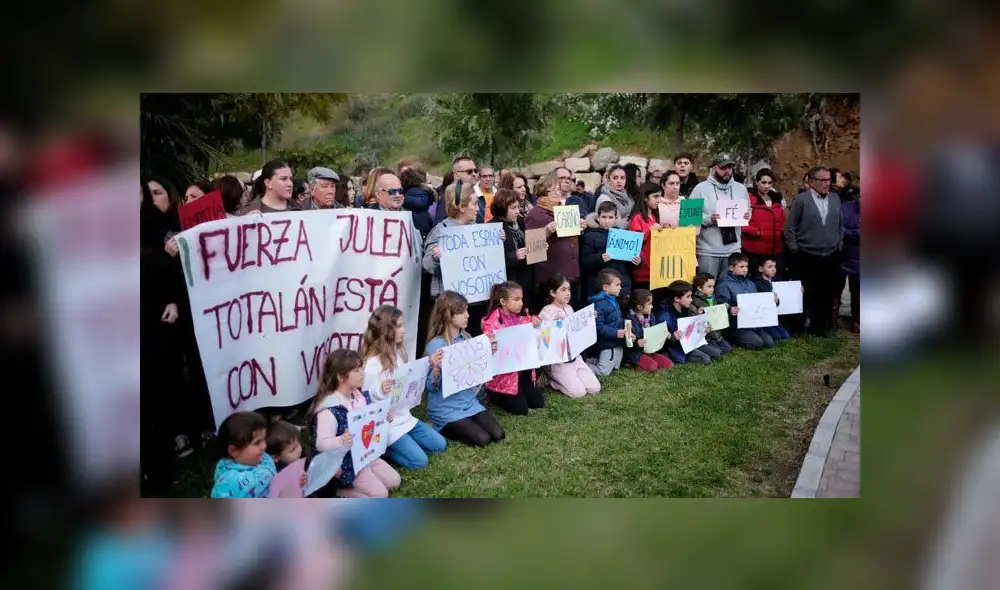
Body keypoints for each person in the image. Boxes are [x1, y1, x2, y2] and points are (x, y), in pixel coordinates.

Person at [361, 305, 448, 469]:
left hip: (403, 416)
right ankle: (382, 450)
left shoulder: (398, 353)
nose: (404, 330)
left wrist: (429, 363)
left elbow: (406, 379)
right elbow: (365, 400)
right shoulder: (372, 364)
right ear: (386, 330)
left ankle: (405, 443)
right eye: (399, 326)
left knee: (440, 445)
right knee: (420, 462)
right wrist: (380, 391)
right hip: (387, 424)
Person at [308, 349, 402, 498]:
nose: (362, 373)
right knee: (380, 494)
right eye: (357, 370)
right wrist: (340, 440)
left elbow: (370, 421)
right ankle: (337, 491)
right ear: (341, 377)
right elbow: (320, 444)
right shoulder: (329, 409)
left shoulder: (358, 396)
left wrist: (384, 416)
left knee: (394, 480)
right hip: (345, 463)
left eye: (361, 368)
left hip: (365, 455)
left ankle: (364, 481)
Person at [424, 292, 506, 447]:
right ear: (448, 315)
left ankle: (464, 422)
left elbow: (474, 372)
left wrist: (488, 353)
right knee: (483, 439)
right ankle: (438, 425)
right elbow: (430, 387)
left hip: (468, 402)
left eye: (467, 310)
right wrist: (435, 369)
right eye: (462, 312)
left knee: (498, 434)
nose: (467, 315)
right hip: (446, 408)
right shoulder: (436, 344)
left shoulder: (467, 338)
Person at [785, 166, 844, 337]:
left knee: (826, 293)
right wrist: (795, 249)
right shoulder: (801, 200)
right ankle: (799, 327)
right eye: (823, 180)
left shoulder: (835, 199)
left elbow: (840, 225)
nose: (828, 183)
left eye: (829, 180)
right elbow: (790, 228)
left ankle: (820, 328)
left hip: (830, 255)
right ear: (811, 182)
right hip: (806, 255)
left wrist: (838, 244)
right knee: (806, 293)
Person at [423, 181, 488, 335]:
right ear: (461, 207)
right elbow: (427, 265)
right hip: (451, 307)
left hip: (476, 301)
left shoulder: (478, 229)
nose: (478, 208)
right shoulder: (441, 231)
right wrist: (435, 257)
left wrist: (497, 241)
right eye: (474, 204)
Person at [480, 282, 545, 415]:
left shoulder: (520, 319)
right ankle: (493, 394)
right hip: (502, 378)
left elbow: (530, 322)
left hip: (519, 375)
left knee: (539, 402)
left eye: (521, 299)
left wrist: (535, 320)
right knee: (521, 409)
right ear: (503, 301)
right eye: (516, 299)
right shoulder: (491, 323)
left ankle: (518, 389)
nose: (521, 303)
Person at [525, 172, 586, 309]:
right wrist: (545, 232)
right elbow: (532, 250)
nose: (559, 192)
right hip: (552, 279)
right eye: (554, 190)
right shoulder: (535, 214)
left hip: (571, 274)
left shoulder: (562, 211)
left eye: (559, 189)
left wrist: (579, 227)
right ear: (543, 192)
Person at [690, 154, 752, 281]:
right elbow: (690, 217)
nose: (727, 171)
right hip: (707, 251)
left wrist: (747, 215)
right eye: (723, 167)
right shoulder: (699, 189)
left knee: (731, 289)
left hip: (733, 250)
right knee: (707, 290)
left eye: (730, 167)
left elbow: (749, 209)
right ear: (714, 168)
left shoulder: (741, 189)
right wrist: (709, 219)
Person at [538, 275, 601, 397]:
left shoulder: (569, 308)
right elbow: (542, 339)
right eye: (563, 290)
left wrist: (588, 318)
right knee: (578, 393)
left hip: (574, 357)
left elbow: (575, 329)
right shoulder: (547, 311)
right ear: (552, 293)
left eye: (569, 289)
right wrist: (552, 324)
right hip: (559, 361)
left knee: (595, 388)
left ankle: (572, 376)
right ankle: (551, 378)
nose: (567, 293)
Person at [581, 201, 640, 301]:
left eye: (610, 217)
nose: (607, 221)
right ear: (598, 218)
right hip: (600, 286)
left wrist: (638, 261)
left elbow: (629, 262)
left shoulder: (624, 236)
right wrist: (599, 258)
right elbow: (584, 262)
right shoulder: (590, 236)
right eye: (604, 217)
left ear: (616, 219)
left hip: (621, 285)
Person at [714, 253, 776, 350]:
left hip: (752, 323)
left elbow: (757, 301)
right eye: (741, 266)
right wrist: (730, 309)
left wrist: (772, 301)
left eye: (746, 266)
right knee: (758, 343)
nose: (745, 269)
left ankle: (751, 335)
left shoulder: (750, 283)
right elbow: (720, 304)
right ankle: (732, 338)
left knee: (769, 342)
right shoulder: (724, 284)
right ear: (731, 268)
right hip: (737, 325)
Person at [210, 411, 276, 498]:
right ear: (234, 451)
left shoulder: (261, 457)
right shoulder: (230, 484)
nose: (264, 446)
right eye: (257, 443)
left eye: (264, 439)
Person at [658, 280, 723, 365]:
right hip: (676, 347)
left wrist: (702, 329)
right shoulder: (664, 316)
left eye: (691, 296)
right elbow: (661, 342)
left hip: (690, 343)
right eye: (688, 297)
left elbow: (691, 330)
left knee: (717, 354)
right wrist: (673, 337)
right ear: (677, 298)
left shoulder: (686, 309)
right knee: (705, 360)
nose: (691, 300)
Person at [489, 189, 533, 308]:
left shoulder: (519, 222)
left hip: (525, 281)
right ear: (502, 208)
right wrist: (514, 256)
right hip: (507, 284)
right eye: (513, 208)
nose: (517, 211)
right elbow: (490, 260)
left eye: (518, 207)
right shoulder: (493, 227)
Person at [743, 168, 787, 276]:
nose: (767, 186)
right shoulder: (747, 199)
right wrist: (756, 232)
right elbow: (740, 222)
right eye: (763, 182)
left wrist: (782, 233)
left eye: (770, 183)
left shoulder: (777, 199)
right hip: (755, 251)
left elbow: (782, 221)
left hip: (776, 251)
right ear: (756, 182)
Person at [586, 269, 627, 377]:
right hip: (608, 344)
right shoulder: (600, 304)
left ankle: (593, 361)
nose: (620, 287)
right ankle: (583, 366)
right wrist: (615, 333)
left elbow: (618, 319)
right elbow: (599, 327)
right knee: (603, 372)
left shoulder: (613, 300)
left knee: (615, 366)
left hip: (617, 343)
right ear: (605, 287)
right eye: (617, 285)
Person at [624, 289, 674, 372]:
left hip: (649, 351)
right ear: (639, 307)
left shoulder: (651, 316)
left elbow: (653, 332)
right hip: (635, 353)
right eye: (649, 304)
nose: (652, 306)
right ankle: (632, 364)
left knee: (669, 364)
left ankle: (645, 363)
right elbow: (627, 341)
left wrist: (664, 334)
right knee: (653, 367)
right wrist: (637, 343)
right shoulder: (628, 320)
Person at [628, 182, 664, 293]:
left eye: (660, 196)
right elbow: (635, 241)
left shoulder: (653, 216)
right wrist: (650, 229)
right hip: (641, 271)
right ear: (645, 198)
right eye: (655, 196)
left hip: (654, 270)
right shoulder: (637, 218)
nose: (659, 200)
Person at [690, 273, 733, 354]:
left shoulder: (712, 297)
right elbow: (694, 317)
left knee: (728, 349)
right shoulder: (695, 300)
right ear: (699, 288)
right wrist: (698, 312)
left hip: (717, 334)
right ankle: (710, 344)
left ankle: (718, 341)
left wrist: (724, 308)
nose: (712, 289)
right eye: (709, 287)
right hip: (707, 336)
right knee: (718, 352)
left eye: (713, 286)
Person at [751, 258, 792, 342]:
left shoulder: (777, 282)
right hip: (764, 319)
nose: (773, 269)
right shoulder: (756, 284)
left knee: (786, 335)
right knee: (777, 337)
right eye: (770, 267)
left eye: (774, 266)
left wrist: (798, 290)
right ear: (760, 269)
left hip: (775, 318)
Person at [839, 187, 860, 333]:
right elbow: (836, 227)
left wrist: (847, 233)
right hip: (840, 254)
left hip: (861, 256)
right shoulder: (844, 208)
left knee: (858, 289)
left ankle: (857, 320)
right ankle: (832, 320)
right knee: (834, 289)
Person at [434, 156, 477, 224]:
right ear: (456, 174)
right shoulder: (449, 198)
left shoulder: (474, 194)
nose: (474, 174)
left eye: (475, 171)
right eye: (469, 171)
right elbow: (441, 230)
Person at [400, 165, 435, 237]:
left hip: (420, 225)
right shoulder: (418, 190)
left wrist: (403, 199)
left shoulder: (416, 191)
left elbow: (419, 202)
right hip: (422, 223)